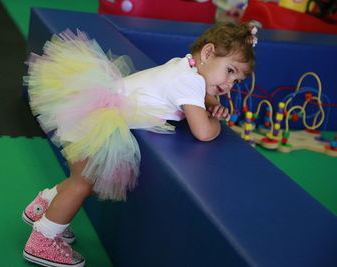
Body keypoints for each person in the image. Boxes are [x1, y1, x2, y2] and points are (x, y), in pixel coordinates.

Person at [21, 21, 257, 267]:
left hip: (92, 109)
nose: (230, 84)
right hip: (95, 121)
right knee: (83, 182)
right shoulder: (190, 82)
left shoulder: (185, 65)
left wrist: (209, 101)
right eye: (230, 71)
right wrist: (215, 120)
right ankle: (44, 239)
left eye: (237, 80)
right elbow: (203, 132)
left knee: (83, 179)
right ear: (207, 53)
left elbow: (197, 92)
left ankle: (43, 207)